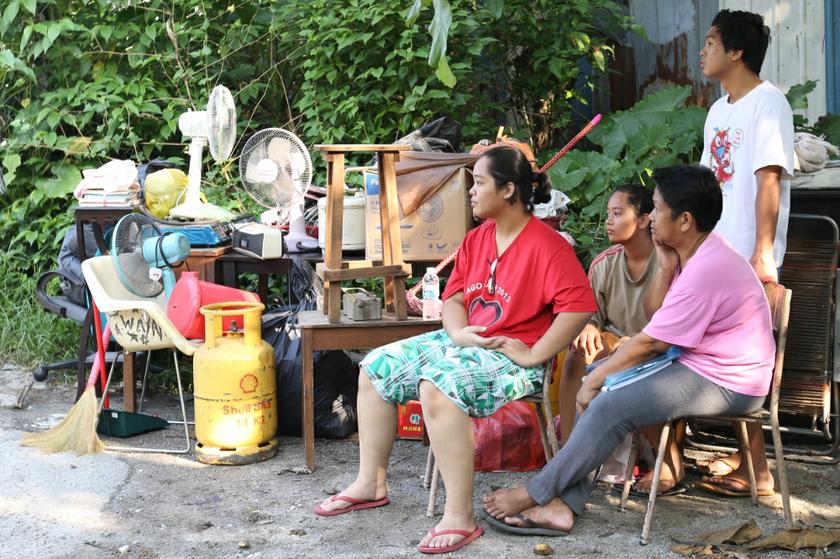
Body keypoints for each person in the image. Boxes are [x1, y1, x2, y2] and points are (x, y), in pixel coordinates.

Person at [314, 146, 596, 554]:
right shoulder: (478, 238)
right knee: (376, 366)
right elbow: (454, 298)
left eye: (479, 183)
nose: (471, 192)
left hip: (510, 353)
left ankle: (459, 515)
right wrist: (459, 333)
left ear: (509, 190)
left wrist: (536, 355)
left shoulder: (548, 246)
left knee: (437, 384)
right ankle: (370, 482)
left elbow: (580, 307)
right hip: (466, 340)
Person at [483, 164, 775, 536]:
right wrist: (667, 266)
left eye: (656, 208)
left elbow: (653, 340)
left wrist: (601, 375)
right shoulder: (693, 252)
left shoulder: (708, 267)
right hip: (704, 366)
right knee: (604, 390)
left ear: (684, 220)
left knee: (608, 397)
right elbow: (657, 317)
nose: (650, 218)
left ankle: (538, 493)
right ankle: (561, 506)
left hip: (729, 381)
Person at [690, 8, 795, 494]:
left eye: (710, 42)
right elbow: (711, 186)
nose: (702, 51)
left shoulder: (768, 103)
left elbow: (767, 178)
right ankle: (747, 460)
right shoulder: (718, 111)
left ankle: (760, 470)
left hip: (748, 257)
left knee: (741, 354)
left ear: (736, 51)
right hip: (716, 253)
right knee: (720, 352)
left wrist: (764, 250)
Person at [557, 184, 656, 445]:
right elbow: (589, 313)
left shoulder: (668, 262)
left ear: (644, 219)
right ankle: (568, 447)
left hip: (653, 347)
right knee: (578, 352)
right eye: (609, 214)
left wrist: (634, 344)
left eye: (618, 214)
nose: (609, 222)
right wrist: (588, 325)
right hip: (611, 345)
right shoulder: (604, 263)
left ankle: (660, 456)